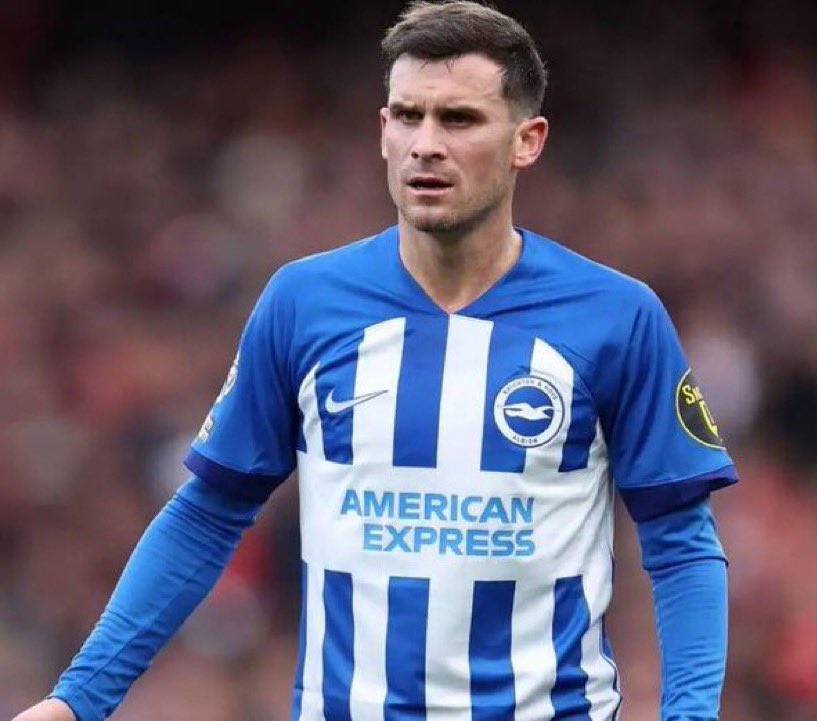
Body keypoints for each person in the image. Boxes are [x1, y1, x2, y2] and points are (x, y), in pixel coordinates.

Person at [13, 2, 737, 720]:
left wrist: (691, 715)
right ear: (382, 130)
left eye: (459, 119)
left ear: (527, 140)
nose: (426, 144)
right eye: (408, 116)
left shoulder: (616, 316)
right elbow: (208, 512)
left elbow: (680, 541)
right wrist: (78, 699)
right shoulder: (303, 303)